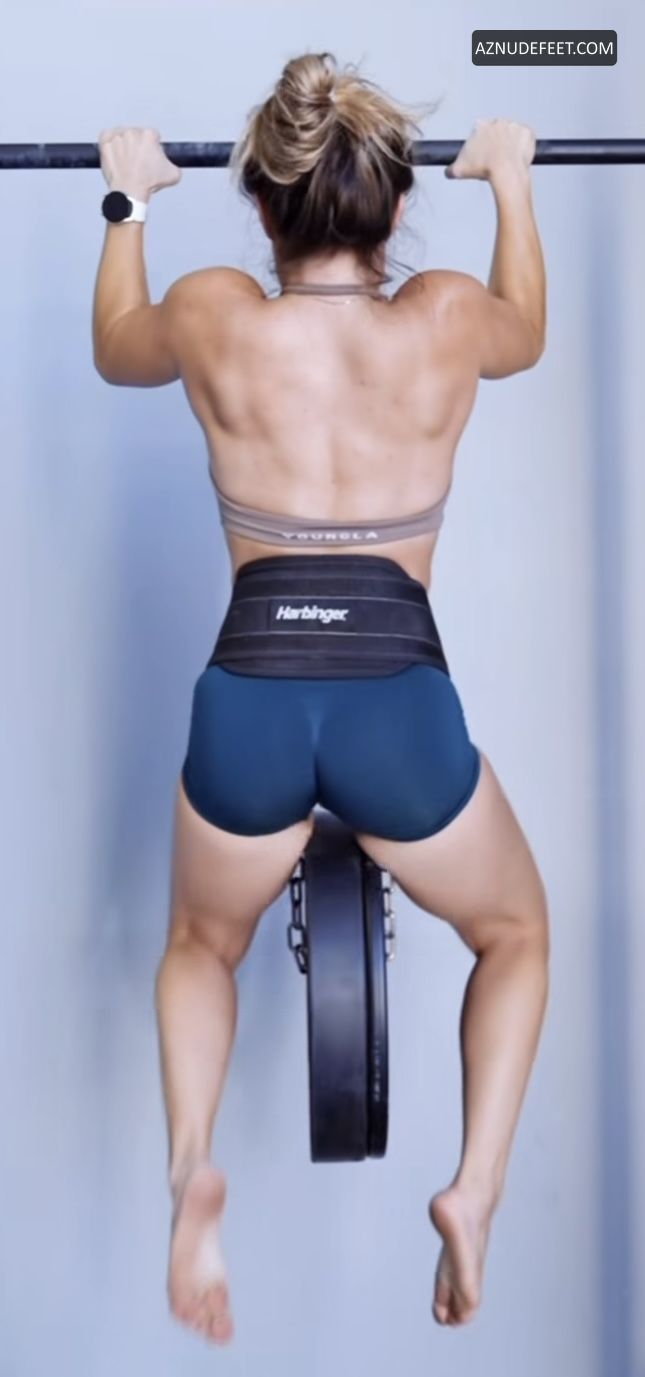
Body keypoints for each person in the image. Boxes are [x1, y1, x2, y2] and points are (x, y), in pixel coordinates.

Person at [94, 51, 549, 1345]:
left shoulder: (212, 312)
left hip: (249, 693)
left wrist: (129, 198)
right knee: (515, 934)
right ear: (396, 205)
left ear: (261, 206)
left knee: (201, 944)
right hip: (395, 702)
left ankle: (192, 1169)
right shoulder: (449, 316)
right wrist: (512, 180)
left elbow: (115, 348)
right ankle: (473, 1190)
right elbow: (527, 329)